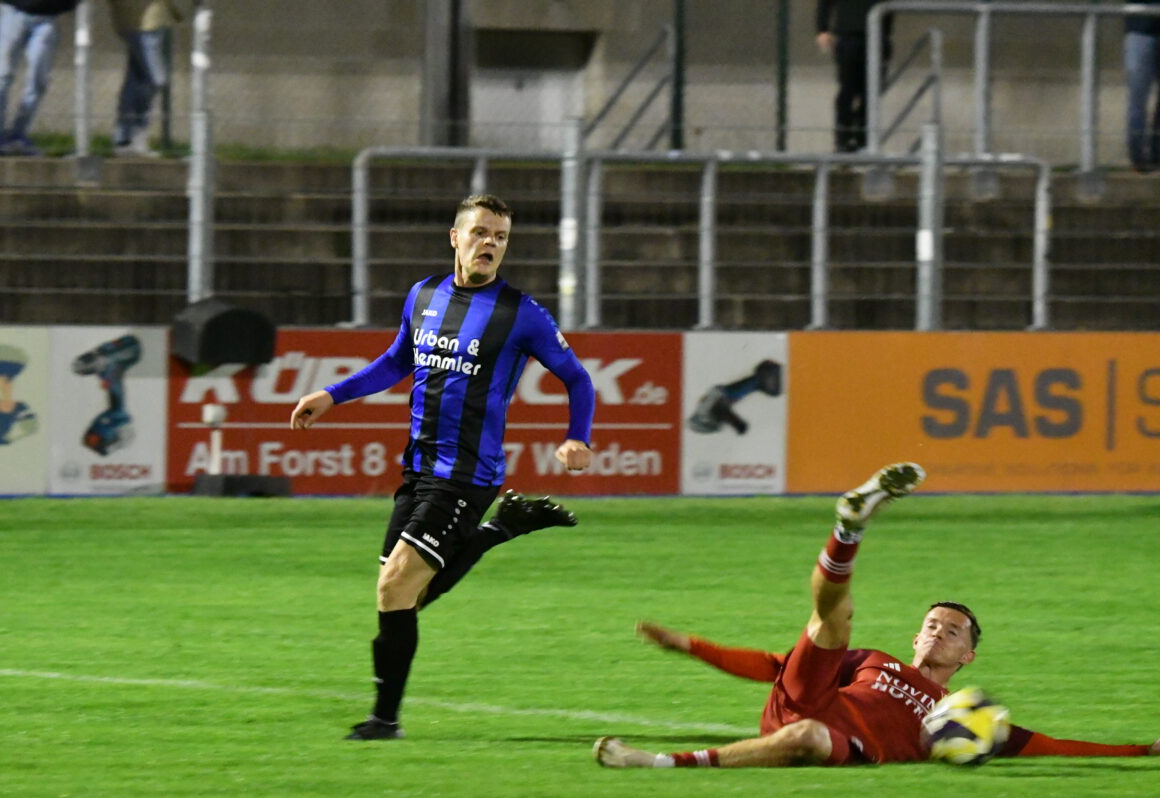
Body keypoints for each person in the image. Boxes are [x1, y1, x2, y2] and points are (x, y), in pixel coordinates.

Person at [595, 462, 1160, 768]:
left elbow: (1051, 746)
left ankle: (660, 763)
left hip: (842, 742)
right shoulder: (877, 662)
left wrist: (1141, 750)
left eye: (953, 630)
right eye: (933, 623)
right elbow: (773, 665)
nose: (939, 630)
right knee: (834, 623)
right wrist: (690, 644)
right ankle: (849, 527)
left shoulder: (963, 713)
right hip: (804, 700)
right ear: (918, 636)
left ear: (967, 656)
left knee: (813, 737)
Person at [290, 193, 596, 741]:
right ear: (455, 237)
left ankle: (384, 721)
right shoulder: (424, 294)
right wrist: (332, 395)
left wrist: (577, 437)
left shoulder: (520, 313)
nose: (490, 245)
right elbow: (395, 361)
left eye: (500, 237)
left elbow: (577, 378)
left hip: (468, 474)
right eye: (480, 233)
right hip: (419, 469)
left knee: (394, 587)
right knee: (409, 595)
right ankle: (506, 526)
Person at [0, 0, 80, 156]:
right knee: (2, 75)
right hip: (13, 12)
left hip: (47, 17)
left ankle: (18, 133)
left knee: (39, 80)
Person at [107, 0, 185, 157]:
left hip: (152, 16)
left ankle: (125, 138)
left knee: (136, 77)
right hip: (141, 19)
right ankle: (132, 133)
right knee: (154, 78)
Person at [815, 0, 893, 153]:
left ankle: (862, 138)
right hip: (849, 35)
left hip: (878, 35)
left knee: (871, 93)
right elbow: (824, 3)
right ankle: (843, 139)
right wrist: (822, 28)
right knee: (848, 90)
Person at [1124, 0, 1160, 172]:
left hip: (1140, 28)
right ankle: (1137, 157)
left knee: (1138, 97)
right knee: (1137, 97)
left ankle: (1156, 154)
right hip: (1140, 27)